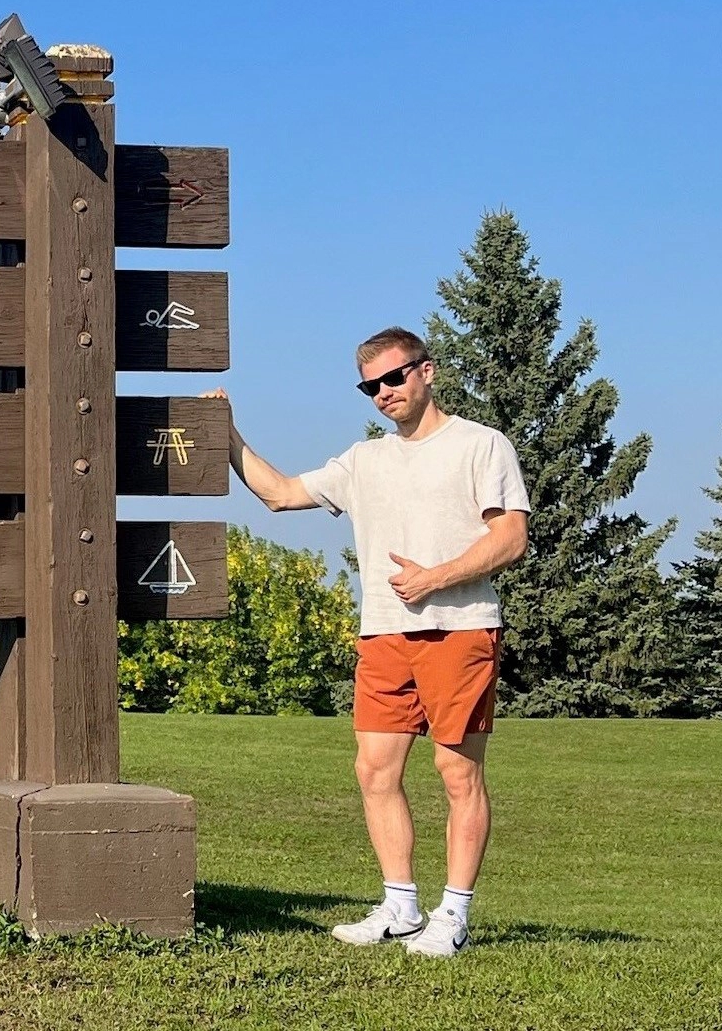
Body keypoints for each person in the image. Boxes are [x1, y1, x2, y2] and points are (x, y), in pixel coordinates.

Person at [203, 326, 529, 958]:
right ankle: (401, 907)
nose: (383, 393)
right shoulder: (364, 460)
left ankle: (452, 916)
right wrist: (227, 436)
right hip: (382, 634)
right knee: (374, 770)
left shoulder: (481, 446)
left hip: (458, 632)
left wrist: (435, 577)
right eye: (370, 386)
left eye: (393, 378)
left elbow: (511, 538)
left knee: (457, 773)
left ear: (426, 371)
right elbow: (280, 495)